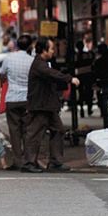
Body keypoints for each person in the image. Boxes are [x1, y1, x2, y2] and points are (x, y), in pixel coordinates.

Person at [24, 37, 79, 173]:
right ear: (44, 50)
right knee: (35, 133)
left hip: (47, 105)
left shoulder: (43, 63)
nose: (54, 51)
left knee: (58, 130)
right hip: (40, 106)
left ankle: (55, 161)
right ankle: (30, 162)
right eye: (51, 48)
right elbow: (52, 74)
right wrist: (70, 79)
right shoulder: (39, 64)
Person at [0, 34, 34, 171]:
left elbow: (2, 75)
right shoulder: (32, 60)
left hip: (12, 98)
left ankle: (17, 160)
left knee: (14, 132)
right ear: (30, 46)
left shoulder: (9, 58)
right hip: (27, 99)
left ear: (17, 45)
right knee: (27, 130)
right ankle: (27, 159)